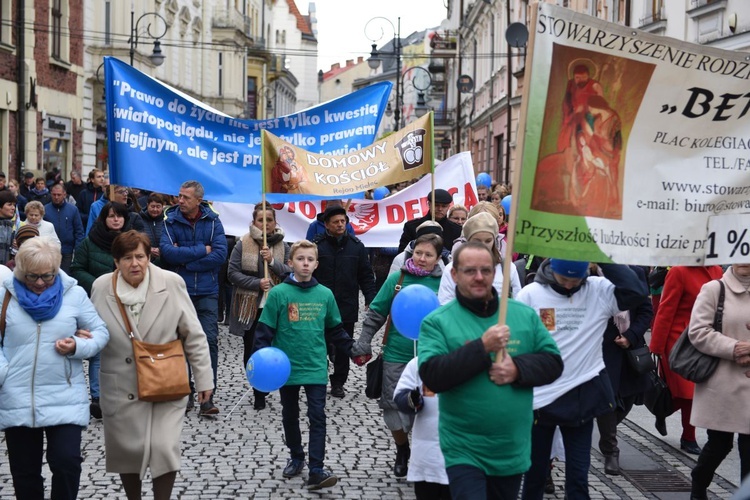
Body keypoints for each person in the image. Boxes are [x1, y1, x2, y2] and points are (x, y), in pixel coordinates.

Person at [418, 242, 563, 498]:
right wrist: (482, 348)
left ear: (495, 273)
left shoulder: (523, 315)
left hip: (511, 447)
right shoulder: (437, 322)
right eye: (470, 270)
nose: (479, 277)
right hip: (464, 448)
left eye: (486, 270)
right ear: (454, 274)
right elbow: (433, 375)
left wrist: (517, 369)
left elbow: (553, 363)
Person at [89, 231, 213, 500]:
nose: (135, 263)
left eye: (140, 257)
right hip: (120, 383)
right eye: (127, 258)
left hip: (165, 380)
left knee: (163, 446)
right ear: (116, 261)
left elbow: (193, 333)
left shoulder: (171, 283)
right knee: (128, 450)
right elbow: (92, 330)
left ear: (149, 257)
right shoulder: (101, 287)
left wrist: (204, 380)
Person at [517, 258, 648, 500]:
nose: (569, 285)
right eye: (563, 279)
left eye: (575, 279)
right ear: (551, 269)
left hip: (582, 394)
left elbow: (637, 291)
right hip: (540, 398)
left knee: (578, 477)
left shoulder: (598, 289)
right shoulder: (531, 294)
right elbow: (518, 343)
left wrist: (603, 258)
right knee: (534, 475)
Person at [0, 236, 109, 500]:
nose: (39, 283)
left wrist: (76, 346)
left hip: (64, 393)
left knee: (67, 463)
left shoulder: (74, 294)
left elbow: (100, 332)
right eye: (32, 277)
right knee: (24, 473)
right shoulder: (5, 294)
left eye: (47, 277)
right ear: (21, 271)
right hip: (18, 396)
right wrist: (3, 373)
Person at [255, 239, 356, 491]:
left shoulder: (325, 294)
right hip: (285, 367)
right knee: (290, 414)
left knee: (317, 416)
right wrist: (259, 361)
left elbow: (335, 329)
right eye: (300, 259)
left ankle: (316, 468)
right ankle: (296, 455)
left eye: (310, 260)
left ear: (317, 264)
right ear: (290, 263)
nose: (305, 263)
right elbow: (265, 330)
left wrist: (353, 350)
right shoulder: (278, 294)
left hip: (315, 367)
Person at [352, 233, 445, 478]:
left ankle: (428, 456)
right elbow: (376, 313)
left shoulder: (446, 282)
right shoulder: (397, 278)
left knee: (430, 408)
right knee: (392, 408)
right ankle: (402, 449)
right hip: (396, 353)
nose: (422, 258)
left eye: (428, 255)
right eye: (418, 253)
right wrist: (364, 341)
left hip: (432, 356)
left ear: (438, 258)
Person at [160, 180, 227, 416]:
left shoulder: (213, 221)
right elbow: (168, 253)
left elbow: (220, 254)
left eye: (186, 197)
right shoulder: (170, 220)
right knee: (180, 343)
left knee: (209, 341)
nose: (180, 200)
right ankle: (185, 391)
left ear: (199, 200)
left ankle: (207, 396)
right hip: (179, 291)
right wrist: (202, 249)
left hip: (207, 291)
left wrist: (185, 259)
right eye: (179, 195)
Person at [687, 263, 750, 499]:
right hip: (722, 382)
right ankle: (698, 485)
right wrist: (734, 348)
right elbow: (698, 331)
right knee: (719, 445)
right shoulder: (715, 289)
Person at [72, 201, 136, 420]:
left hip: (128, 302)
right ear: (103, 219)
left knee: (126, 349)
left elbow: (147, 265)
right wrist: (100, 283)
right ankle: (98, 398)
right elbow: (77, 269)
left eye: (119, 216)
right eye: (111, 216)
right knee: (99, 351)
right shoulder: (90, 242)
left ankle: (124, 394)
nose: (116, 220)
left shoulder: (133, 242)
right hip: (98, 303)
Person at [649, 265, 723, 452]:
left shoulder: (717, 270)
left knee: (692, 392)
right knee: (688, 392)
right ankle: (688, 437)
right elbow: (665, 310)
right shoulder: (679, 271)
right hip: (677, 341)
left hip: (705, 339)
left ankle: (663, 408)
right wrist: (656, 346)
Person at [227, 202, 291, 410]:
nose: (265, 224)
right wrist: (256, 283)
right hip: (251, 306)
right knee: (253, 348)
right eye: (261, 220)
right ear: (254, 222)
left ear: (275, 222)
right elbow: (232, 273)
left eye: (269, 220)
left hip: (275, 306)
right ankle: (258, 392)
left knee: (276, 346)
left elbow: (290, 273)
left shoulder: (283, 245)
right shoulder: (242, 244)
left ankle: (277, 383)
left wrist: (272, 261)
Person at [312, 204, 376, 398]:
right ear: (326, 225)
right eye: (336, 222)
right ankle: (317, 379)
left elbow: (365, 275)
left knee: (343, 346)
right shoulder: (317, 246)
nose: (340, 225)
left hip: (346, 305)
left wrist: (370, 299)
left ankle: (339, 381)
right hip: (319, 306)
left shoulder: (356, 247)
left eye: (343, 221)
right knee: (318, 344)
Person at [596, 265, 653, 475]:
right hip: (602, 348)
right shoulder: (591, 276)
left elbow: (646, 310)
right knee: (609, 399)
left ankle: (605, 432)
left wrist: (631, 335)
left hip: (630, 347)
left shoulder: (635, 273)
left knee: (628, 399)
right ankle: (611, 450)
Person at [394, 356, 450, 499]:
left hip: (465, 463)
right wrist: (411, 399)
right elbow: (400, 396)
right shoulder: (419, 363)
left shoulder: (477, 362)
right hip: (427, 462)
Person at [438, 212, 522, 304]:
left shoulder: (508, 268)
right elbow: (445, 304)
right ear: (468, 241)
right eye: (477, 241)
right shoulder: (452, 268)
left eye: (488, 241)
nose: (483, 245)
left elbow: (517, 303)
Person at [398, 189, 462, 252]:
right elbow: (403, 253)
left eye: (444, 206)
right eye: (436, 205)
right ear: (429, 204)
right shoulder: (411, 227)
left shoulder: (456, 230)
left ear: (448, 207)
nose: (440, 209)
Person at [44, 183, 84, 273]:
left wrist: (78, 249)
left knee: (66, 275)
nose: (56, 197)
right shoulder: (45, 210)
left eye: (59, 195)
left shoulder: (73, 210)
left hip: (67, 251)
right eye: (54, 195)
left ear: (64, 194)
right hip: (50, 250)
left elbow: (79, 231)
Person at [138, 192, 166, 266]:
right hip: (144, 261)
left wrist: (162, 250)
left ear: (162, 207)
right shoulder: (139, 219)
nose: (155, 209)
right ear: (147, 205)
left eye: (158, 206)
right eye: (152, 206)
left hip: (164, 261)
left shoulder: (167, 220)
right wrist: (148, 249)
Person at [0, 190, 18, 266]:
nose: (13, 208)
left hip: (6, 271)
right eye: (9, 204)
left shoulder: (12, 226)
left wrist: (17, 247)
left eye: (14, 205)